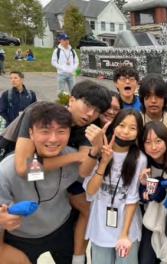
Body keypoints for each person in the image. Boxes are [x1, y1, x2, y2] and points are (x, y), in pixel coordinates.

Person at [13, 80, 112, 264]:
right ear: (72, 100)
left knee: (86, 207)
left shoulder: (86, 129)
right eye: (88, 105)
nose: (91, 114)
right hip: (16, 184)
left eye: (97, 111)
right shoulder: (41, 114)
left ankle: (78, 258)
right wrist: (75, 156)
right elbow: (23, 168)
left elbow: (83, 172)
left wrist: (94, 149)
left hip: (54, 188)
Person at [0, 102, 83, 263]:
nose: (53, 139)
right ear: (30, 133)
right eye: (45, 131)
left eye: (61, 131)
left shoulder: (74, 159)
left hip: (62, 228)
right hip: (21, 236)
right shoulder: (7, 170)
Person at [83, 108, 147, 264]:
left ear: (138, 132)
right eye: (122, 125)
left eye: (133, 128)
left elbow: (132, 198)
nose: (125, 132)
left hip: (127, 229)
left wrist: (124, 234)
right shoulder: (99, 152)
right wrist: (104, 161)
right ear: (113, 126)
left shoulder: (139, 159)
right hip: (100, 228)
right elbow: (90, 190)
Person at [138, 121, 167, 264]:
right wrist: (143, 189)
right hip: (150, 219)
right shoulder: (142, 162)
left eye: (158, 141)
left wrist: (162, 194)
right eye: (148, 142)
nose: (153, 147)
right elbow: (141, 197)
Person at [138, 73, 167, 142]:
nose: (153, 101)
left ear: (165, 98)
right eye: (148, 96)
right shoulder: (135, 123)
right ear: (142, 98)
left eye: (158, 96)